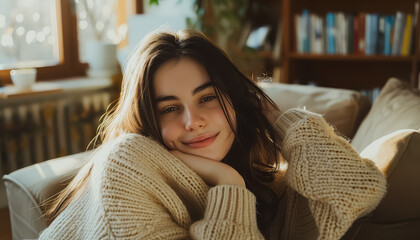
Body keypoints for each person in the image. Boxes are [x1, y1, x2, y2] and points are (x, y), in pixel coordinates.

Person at [39, 30, 387, 240]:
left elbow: (359, 187)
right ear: (147, 120)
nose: (194, 121)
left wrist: (274, 114)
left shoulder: (256, 170)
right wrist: (229, 187)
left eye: (208, 98)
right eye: (169, 108)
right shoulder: (127, 164)